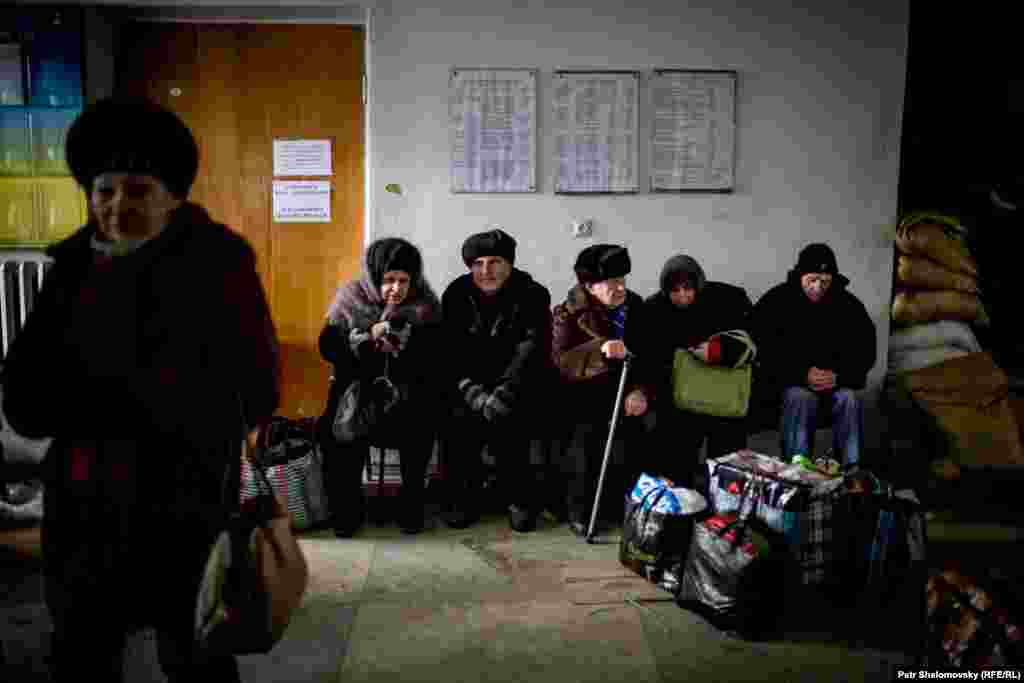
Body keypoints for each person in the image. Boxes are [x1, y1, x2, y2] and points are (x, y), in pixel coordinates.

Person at [0, 97, 280, 681]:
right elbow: (26, 395)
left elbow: (258, 381)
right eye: (103, 191)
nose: (116, 207)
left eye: (136, 190)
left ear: (173, 197)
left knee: (196, 650)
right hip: (86, 500)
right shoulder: (70, 272)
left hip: (186, 496)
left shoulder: (221, 267)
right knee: (83, 649)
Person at [317, 237, 443, 536]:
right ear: (374, 277)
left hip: (406, 397)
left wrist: (407, 345)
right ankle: (346, 509)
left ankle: (410, 506)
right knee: (335, 434)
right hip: (359, 395)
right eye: (388, 280)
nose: (396, 289)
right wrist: (364, 338)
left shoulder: (425, 305)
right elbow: (328, 346)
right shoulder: (351, 298)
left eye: (403, 280)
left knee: (423, 426)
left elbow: (436, 356)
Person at [441, 229, 552, 532]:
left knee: (518, 419)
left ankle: (519, 498)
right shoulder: (455, 293)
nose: (486, 271)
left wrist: (505, 390)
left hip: (516, 383)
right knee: (456, 420)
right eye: (478, 263)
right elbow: (450, 349)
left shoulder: (533, 293)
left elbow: (531, 348)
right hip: (469, 384)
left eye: (495, 262)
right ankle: (462, 497)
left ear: (510, 264)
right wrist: (473, 391)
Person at [552, 244, 655, 536]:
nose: (621, 288)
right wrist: (600, 350)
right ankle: (580, 510)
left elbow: (653, 356)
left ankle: (621, 507)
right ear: (589, 285)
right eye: (612, 283)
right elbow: (562, 361)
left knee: (638, 435)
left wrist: (640, 391)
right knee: (584, 439)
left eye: (623, 280)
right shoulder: (568, 313)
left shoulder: (637, 308)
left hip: (626, 392)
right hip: (582, 394)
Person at [750, 243, 877, 466]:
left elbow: (865, 350)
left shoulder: (848, 305)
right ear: (800, 276)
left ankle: (850, 473)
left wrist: (839, 376)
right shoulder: (777, 300)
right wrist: (800, 374)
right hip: (788, 388)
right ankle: (797, 471)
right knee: (800, 397)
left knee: (848, 398)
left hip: (834, 386)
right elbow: (761, 349)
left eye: (825, 281)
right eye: (812, 280)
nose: (818, 287)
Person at [644, 254, 754, 487]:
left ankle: (723, 512)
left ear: (698, 285)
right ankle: (683, 509)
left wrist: (718, 351)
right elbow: (650, 358)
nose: (683, 295)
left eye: (688, 288)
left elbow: (751, 343)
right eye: (675, 290)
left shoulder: (726, 301)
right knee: (675, 450)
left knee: (726, 462)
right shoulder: (655, 310)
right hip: (680, 399)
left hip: (723, 396)